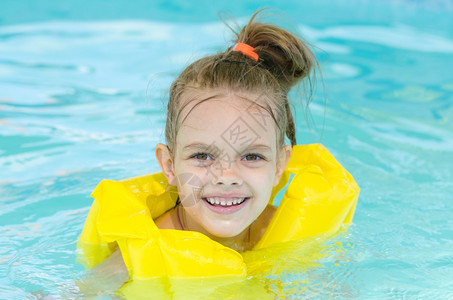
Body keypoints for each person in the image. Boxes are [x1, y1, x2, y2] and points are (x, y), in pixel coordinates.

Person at [77, 9, 358, 296]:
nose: (227, 177)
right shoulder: (137, 257)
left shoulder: (295, 237)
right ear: (169, 165)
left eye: (251, 156)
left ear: (279, 166)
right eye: (202, 156)